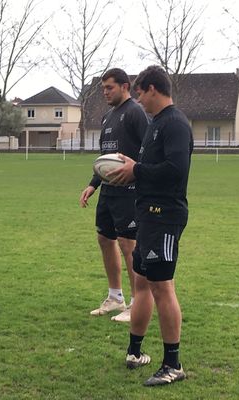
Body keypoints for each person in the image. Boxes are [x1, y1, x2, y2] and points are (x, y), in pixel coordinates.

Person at [108, 65, 193, 386]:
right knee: (142, 284)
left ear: (153, 89)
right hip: (147, 215)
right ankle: (135, 352)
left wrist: (137, 169)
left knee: (162, 286)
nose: (138, 100)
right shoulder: (155, 123)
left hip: (164, 215)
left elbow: (175, 169)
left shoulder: (175, 123)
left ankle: (173, 364)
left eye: (140, 93)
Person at [79, 68, 148, 323]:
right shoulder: (108, 117)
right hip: (108, 192)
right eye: (103, 88)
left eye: (109, 87)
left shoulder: (136, 113)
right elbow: (105, 159)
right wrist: (93, 184)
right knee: (104, 239)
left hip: (129, 192)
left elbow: (148, 150)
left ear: (125, 86)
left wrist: (137, 173)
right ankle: (114, 297)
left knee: (128, 245)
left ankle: (135, 302)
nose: (105, 92)